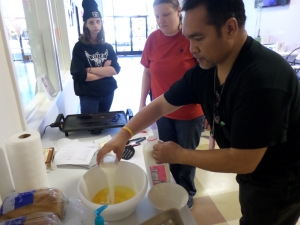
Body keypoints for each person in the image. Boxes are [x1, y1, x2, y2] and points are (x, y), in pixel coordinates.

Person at [97, 0, 300, 224]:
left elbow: (243, 160)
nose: (192, 49)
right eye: (188, 38)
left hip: (280, 179)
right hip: (252, 173)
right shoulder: (207, 70)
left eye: (198, 38)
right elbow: (161, 104)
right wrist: (124, 135)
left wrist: (179, 154)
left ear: (230, 28)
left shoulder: (263, 79)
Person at [139, 0, 204, 209]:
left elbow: (206, 77)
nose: (161, 21)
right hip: (162, 112)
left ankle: (187, 194)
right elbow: (147, 71)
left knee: (185, 157)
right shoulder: (152, 40)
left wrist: (211, 111)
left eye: (165, 15)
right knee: (167, 154)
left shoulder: (190, 38)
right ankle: (173, 190)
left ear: (179, 11)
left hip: (190, 114)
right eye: (157, 16)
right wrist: (142, 102)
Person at [70, 0, 120, 114]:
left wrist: (90, 70)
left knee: (103, 125)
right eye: (91, 22)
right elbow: (79, 75)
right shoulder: (79, 47)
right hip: (88, 95)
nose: (95, 25)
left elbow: (115, 69)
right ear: (86, 25)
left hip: (108, 92)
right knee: (90, 128)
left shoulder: (107, 46)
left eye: (98, 21)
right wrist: (104, 71)